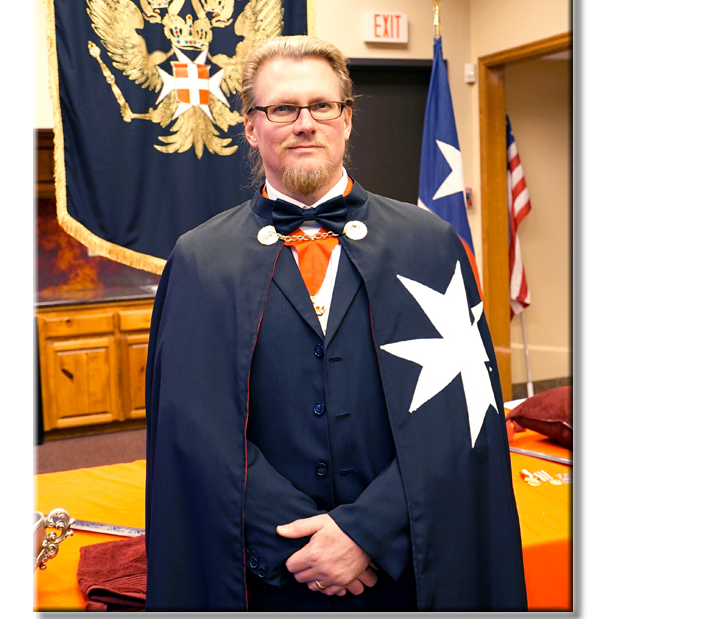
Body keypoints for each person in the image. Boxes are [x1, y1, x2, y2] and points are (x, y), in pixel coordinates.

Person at [144, 35, 527, 611]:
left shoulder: (429, 245)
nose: (305, 124)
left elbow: (461, 418)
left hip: (406, 571)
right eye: (282, 109)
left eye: (322, 106)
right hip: (266, 579)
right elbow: (192, 428)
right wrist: (300, 542)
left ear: (346, 119)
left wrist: (366, 533)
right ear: (250, 126)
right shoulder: (200, 260)